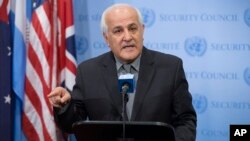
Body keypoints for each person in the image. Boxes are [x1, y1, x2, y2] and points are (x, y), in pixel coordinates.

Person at [48, 3, 197, 141]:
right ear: (106, 37)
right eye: (118, 31)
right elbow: (73, 124)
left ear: (142, 30)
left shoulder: (171, 67)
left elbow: (185, 120)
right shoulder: (88, 72)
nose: (127, 37)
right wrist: (64, 106)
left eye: (133, 28)